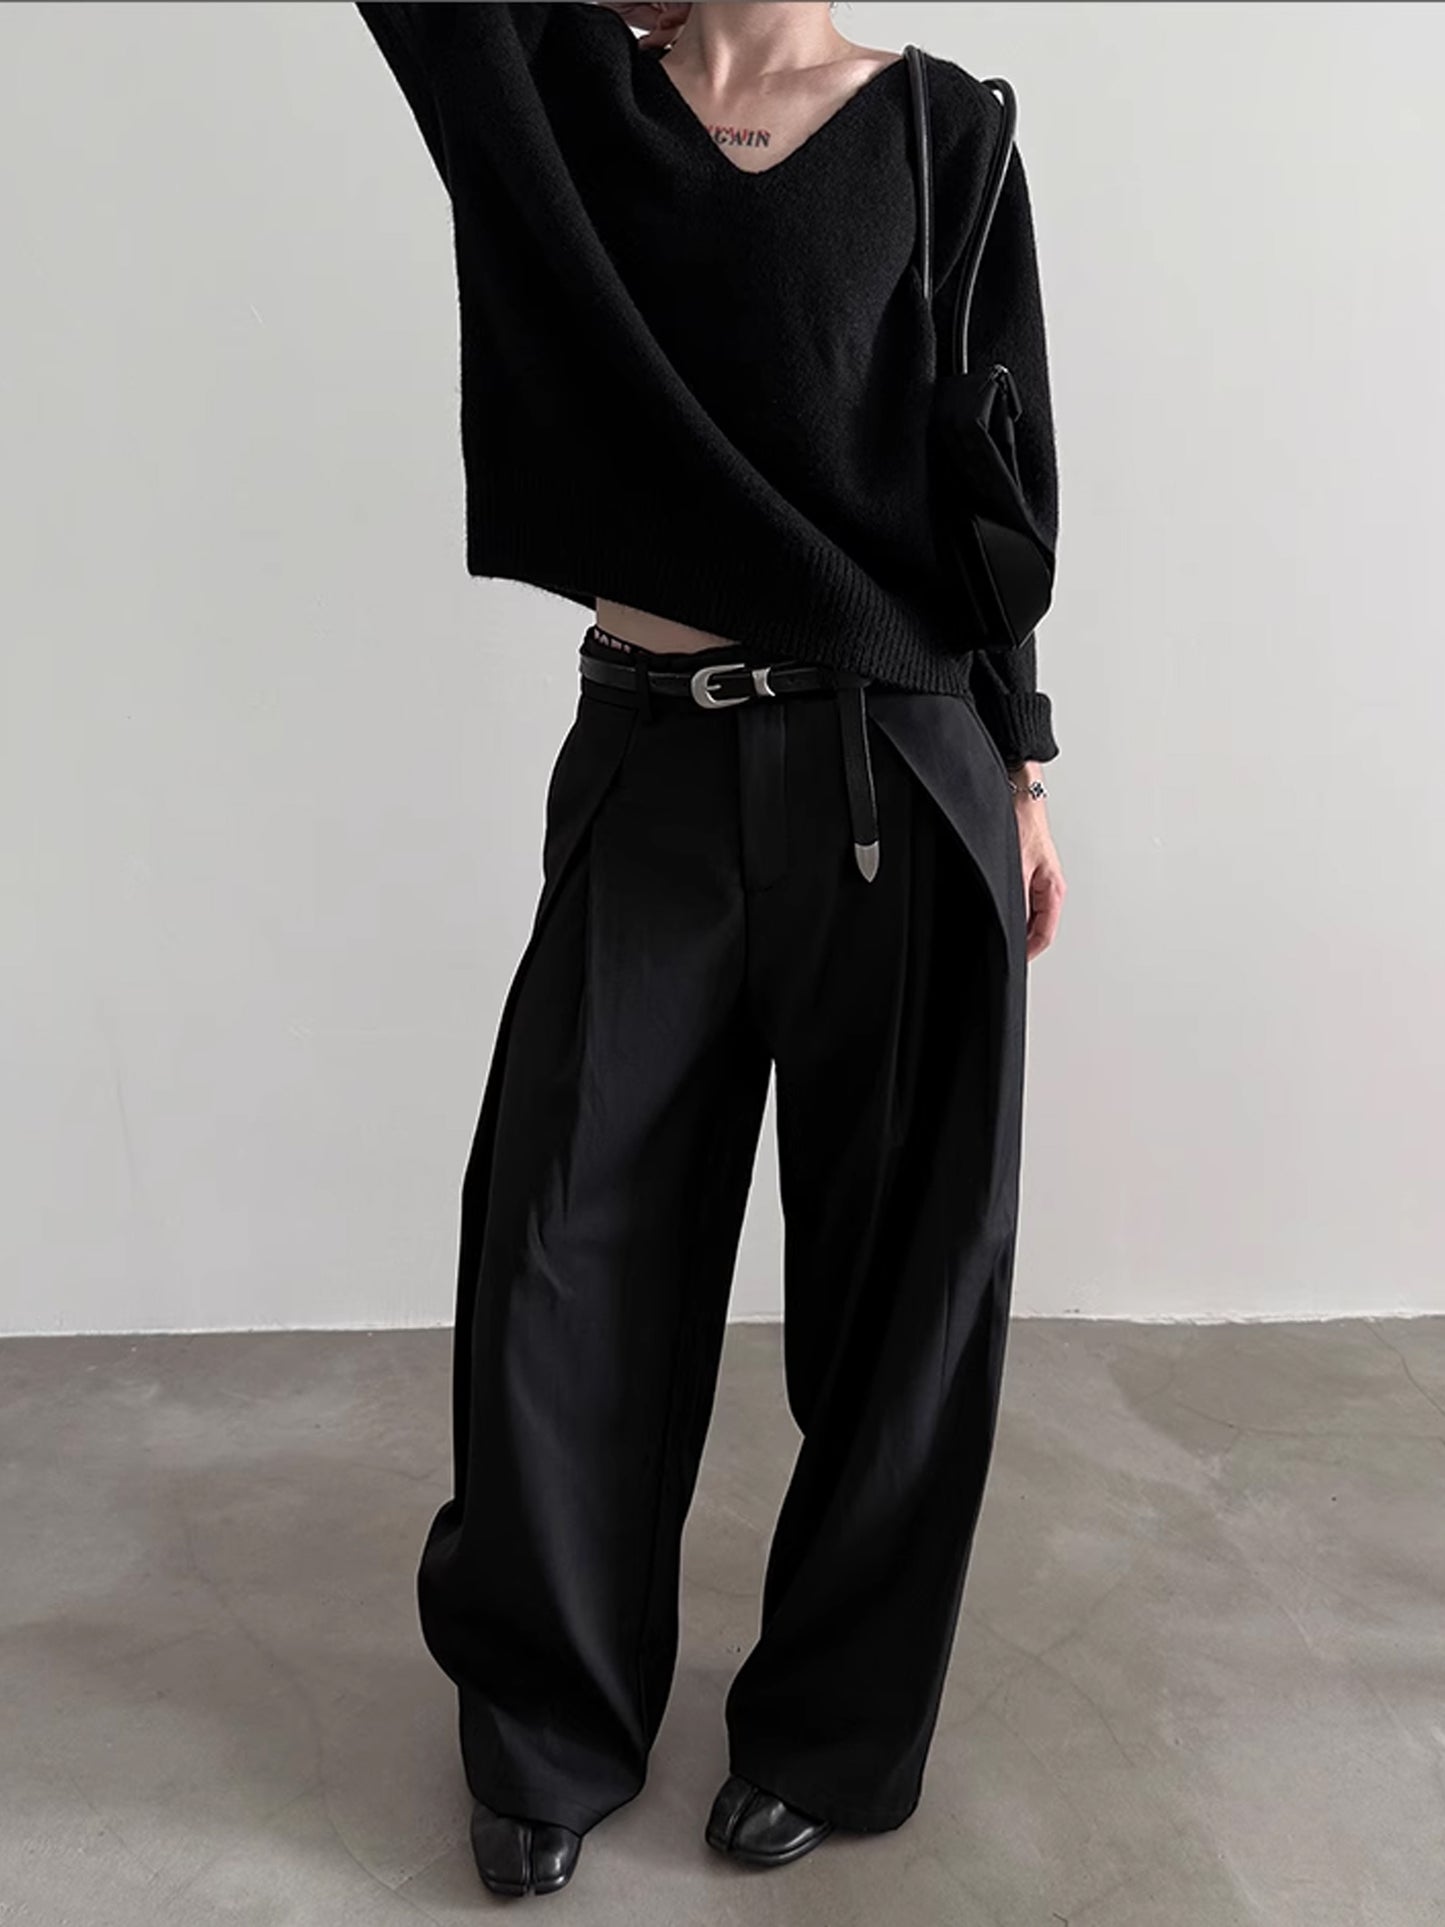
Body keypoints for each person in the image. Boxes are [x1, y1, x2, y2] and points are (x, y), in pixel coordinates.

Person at [353, 0, 1067, 1897]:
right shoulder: (566, 95)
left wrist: (1021, 765)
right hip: (651, 762)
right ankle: (547, 1725)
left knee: (900, 1290)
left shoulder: (939, 133)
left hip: (894, 763)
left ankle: (831, 1730)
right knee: (561, 1254)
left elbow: (994, 470)